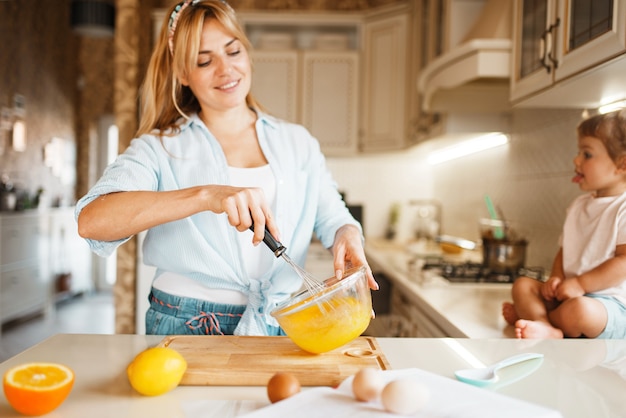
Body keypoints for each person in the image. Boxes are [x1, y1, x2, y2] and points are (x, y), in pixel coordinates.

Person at [76, 0, 377, 336]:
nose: (225, 69)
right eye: (204, 61)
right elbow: (92, 222)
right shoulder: (160, 146)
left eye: (233, 52)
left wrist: (348, 235)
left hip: (280, 320)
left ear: (247, 54)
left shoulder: (298, 142)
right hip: (184, 321)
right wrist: (207, 195)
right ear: (182, 74)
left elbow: (334, 217)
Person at [502, 110, 626, 339]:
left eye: (587, 154)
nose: (576, 160)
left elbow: (624, 261)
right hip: (569, 294)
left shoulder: (623, 207)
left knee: (580, 311)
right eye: (578, 152)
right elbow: (565, 250)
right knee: (523, 285)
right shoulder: (578, 205)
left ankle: (534, 318)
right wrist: (556, 278)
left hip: (610, 305)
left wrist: (581, 284)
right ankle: (544, 324)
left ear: (622, 165)